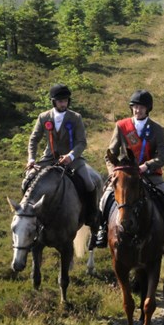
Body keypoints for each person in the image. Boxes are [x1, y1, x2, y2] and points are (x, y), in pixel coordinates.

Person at [94, 90, 164, 247]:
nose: (138, 110)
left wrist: (146, 166)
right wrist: (114, 173)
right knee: (105, 199)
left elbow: (163, 157)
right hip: (125, 175)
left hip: (149, 174)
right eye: (135, 107)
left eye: (142, 107)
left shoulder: (157, 129)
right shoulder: (121, 126)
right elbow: (109, 155)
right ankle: (102, 231)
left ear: (148, 109)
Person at [26, 84, 103, 249]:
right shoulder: (43, 117)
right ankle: (27, 215)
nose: (63, 103)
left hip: (72, 159)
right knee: (27, 179)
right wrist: (31, 159)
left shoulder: (75, 117)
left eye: (65, 101)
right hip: (49, 158)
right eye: (60, 101)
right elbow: (34, 139)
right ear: (54, 102)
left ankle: (92, 216)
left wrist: (71, 156)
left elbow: (81, 142)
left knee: (89, 183)